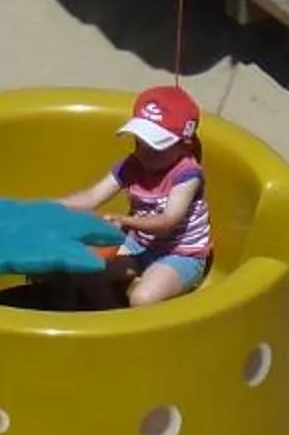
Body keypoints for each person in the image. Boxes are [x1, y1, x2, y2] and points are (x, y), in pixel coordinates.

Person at [55, 84, 213, 309]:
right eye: (139, 142)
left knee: (142, 298)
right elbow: (91, 197)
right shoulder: (133, 164)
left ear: (183, 145)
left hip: (180, 254)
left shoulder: (187, 175)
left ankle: (138, 331)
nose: (144, 153)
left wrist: (125, 221)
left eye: (156, 147)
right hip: (139, 245)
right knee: (84, 271)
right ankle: (110, 318)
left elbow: (168, 221)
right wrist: (51, 206)